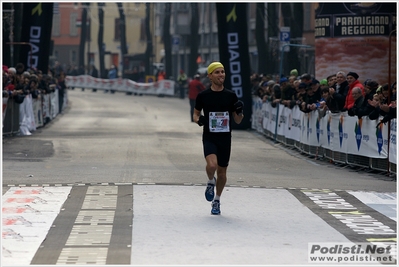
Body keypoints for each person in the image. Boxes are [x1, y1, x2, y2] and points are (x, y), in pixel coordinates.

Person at [193, 61, 244, 215]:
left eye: (222, 72)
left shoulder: (230, 95)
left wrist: (240, 111)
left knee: (222, 173)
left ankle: (217, 200)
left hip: (225, 138)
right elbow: (195, 114)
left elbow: (238, 120)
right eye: (217, 72)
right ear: (210, 76)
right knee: (212, 166)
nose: (221, 75)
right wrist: (199, 120)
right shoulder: (203, 96)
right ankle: (210, 181)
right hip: (209, 136)